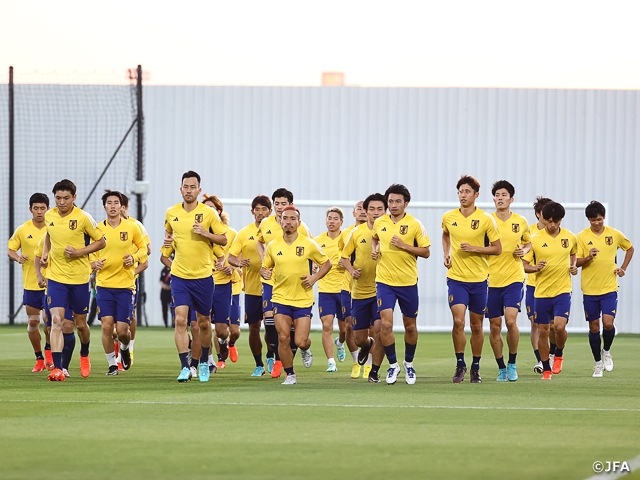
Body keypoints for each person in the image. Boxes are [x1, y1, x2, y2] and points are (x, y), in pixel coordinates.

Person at [164, 171, 228, 382]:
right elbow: (169, 233)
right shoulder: (171, 212)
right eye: (185, 186)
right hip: (180, 276)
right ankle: (185, 366)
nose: (189, 190)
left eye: (193, 187)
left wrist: (205, 233)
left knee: (203, 323)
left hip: (203, 276)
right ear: (180, 188)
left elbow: (223, 239)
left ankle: (203, 362)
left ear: (199, 190)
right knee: (180, 321)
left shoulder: (208, 214)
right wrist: (167, 242)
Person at [40, 179, 106, 381]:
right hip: (56, 278)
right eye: (58, 198)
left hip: (79, 279)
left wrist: (79, 252)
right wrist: (45, 252)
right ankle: (58, 369)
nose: (61, 202)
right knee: (57, 321)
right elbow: (49, 236)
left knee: (80, 325)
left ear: (74, 198)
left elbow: (101, 241)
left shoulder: (83, 217)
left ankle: (84, 352)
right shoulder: (49, 215)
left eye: (66, 198)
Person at [261, 205, 331, 385]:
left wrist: (314, 277)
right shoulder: (273, 245)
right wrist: (264, 273)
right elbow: (265, 266)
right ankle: (290, 373)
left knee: (300, 341)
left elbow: (326, 263)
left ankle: (306, 349)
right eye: (285, 219)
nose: (289, 222)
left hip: (303, 299)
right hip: (280, 298)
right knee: (283, 337)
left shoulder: (308, 244)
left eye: (293, 219)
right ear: (280, 221)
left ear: (299, 223)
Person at [442, 175, 501, 384]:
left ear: (476, 195)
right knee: (458, 321)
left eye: (467, 192)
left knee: (477, 326)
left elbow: (497, 248)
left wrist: (474, 248)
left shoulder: (486, 219)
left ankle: (476, 366)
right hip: (456, 278)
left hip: (479, 280)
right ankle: (460, 364)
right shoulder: (449, 217)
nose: (463, 195)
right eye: (460, 191)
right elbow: (446, 235)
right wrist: (446, 253)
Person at [372, 184, 431, 385]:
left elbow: (426, 252)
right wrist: (376, 250)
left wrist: (404, 246)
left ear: (406, 203)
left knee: (410, 327)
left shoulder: (415, 224)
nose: (394, 205)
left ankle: (408, 363)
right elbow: (375, 238)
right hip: (384, 282)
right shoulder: (379, 222)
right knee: (386, 324)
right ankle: (393, 365)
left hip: (407, 282)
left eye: (398, 201)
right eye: (390, 201)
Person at [257, 188, 311, 379]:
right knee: (272, 324)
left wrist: (310, 277)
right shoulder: (265, 224)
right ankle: (280, 362)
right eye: (277, 204)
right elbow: (259, 241)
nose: (280, 208)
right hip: (273, 283)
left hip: (297, 286)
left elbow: (311, 254)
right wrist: (264, 262)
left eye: (283, 203)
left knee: (298, 336)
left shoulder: (300, 226)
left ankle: (298, 350)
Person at [91, 191, 148, 375]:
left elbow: (143, 250)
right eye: (109, 203)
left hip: (125, 285)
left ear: (122, 206)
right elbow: (89, 252)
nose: (113, 206)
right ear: (105, 206)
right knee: (107, 325)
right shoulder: (97, 229)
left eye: (116, 202)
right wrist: (93, 263)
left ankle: (124, 348)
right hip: (104, 285)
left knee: (122, 330)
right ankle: (112, 364)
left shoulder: (132, 227)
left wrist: (134, 257)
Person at [576, 201, 633, 377]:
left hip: (609, 287)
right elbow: (576, 262)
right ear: (588, 220)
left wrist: (623, 268)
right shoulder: (582, 237)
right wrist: (588, 257)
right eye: (593, 220)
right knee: (594, 328)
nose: (596, 223)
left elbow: (629, 248)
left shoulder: (614, 234)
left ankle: (606, 351)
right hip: (590, 289)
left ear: (604, 217)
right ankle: (597, 364)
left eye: (599, 219)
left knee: (607, 323)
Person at [523, 201, 578, 380]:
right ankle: (546, 369)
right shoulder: (535, 239)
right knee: (543, 330)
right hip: (542, 292)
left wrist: (573, 266)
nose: (553, 225)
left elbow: (573, 254)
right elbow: (524, 265)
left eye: (556, 221)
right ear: (543, 219)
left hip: (563, 290)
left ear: (561, 220)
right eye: (549, 221)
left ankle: (559, 355)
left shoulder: (570, 237)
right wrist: (535, 268)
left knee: (560, 327)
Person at [486, 181, 531, 382]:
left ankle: (512, 363)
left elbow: (528, 242)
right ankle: (501, 367)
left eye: (504, 194)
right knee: (495, 326)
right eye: (497, 194)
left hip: (514, 277)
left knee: (511, 321)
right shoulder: (487, 221)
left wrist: (525, 250)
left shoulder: (520, 221)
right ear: (493, 198)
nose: (500, 198)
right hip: (489, 279)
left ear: (511, 199)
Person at [341, 193, 387, 383]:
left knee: (381, 328)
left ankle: (374, 371)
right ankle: (367, 346)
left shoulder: (388, 231)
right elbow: (344, 258)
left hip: (382, 289)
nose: (376, 213)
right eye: (372, 209)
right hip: (360, 291)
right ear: (365, 212)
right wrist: (351, 270)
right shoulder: (356, 233)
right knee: (359, 337)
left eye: (380, 209)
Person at [228, 195, 273, 377]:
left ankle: (272, 355)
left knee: (272, 327)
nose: (260, 213)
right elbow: (231, 256)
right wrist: (240, 263)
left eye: (264, 209)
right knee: (254, 327)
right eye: (257, 209)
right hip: (252, 288)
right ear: (252, 211)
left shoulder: (275, 230)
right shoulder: (244, 233)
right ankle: (258, 364)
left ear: (270, 211)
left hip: (273, 286)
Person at [7, 193, 51, 372]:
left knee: (50, 321)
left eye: (42, 208)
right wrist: (18, 257)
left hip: (51, 283)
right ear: (30, 209)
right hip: (31, 284)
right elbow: (11, 249)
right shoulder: (23, 229)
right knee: (33, 322)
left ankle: (50, 354)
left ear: (48, 209)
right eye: (36, 208)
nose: (39, 212)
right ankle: (39, 358)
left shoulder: (53, 228)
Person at [203, 194, 239, 369]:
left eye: (212, 208)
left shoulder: (230, 234)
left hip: (223, 285)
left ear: (218, 211)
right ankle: (209, 361)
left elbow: (238, 258)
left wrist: (231, 268)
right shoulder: (197, 232)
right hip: (202, 282)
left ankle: (224, 342)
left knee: (222, 330)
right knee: (203, 324)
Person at [120, 194, 151, 364]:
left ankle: (128, 348)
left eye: (122, 205)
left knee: (130, 314)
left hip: (129, 278)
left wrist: (133, 260)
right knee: (109, 321)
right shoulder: (104, 226)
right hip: (108, 279)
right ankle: (116, 353)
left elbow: (148, 249)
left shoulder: (136, 225)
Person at [337, 201, 366, 377]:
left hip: (370, 287)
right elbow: (343, 259)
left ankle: (369, 365)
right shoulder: (346, 234)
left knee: (370, 328)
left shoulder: (376, 231)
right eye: (359, 209)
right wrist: (351, 270)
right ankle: (356, 361)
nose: (363, 212)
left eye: (366, 209)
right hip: (348, 286)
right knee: (349, 326)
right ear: (353, 213)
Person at [314, 207, 345, 372]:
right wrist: (312, 268)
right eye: (329, 218)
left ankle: (340, 342)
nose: (331, 221)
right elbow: (311, 259)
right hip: (325, 289)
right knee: (327, 326)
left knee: (345, 329)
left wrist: (347, 264)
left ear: (341, 222)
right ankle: (331, 362)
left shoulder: (346, 238)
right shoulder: (318, 241)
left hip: (344, 289)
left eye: (335, 219)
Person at [525, 196, 554, 374]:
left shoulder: (561, 234)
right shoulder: (529, 233)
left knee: (552, 325)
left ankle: (554, 355)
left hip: (553, 285)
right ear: (538, 214)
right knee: (535, 323)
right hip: (533, 285)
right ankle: (541, 360)